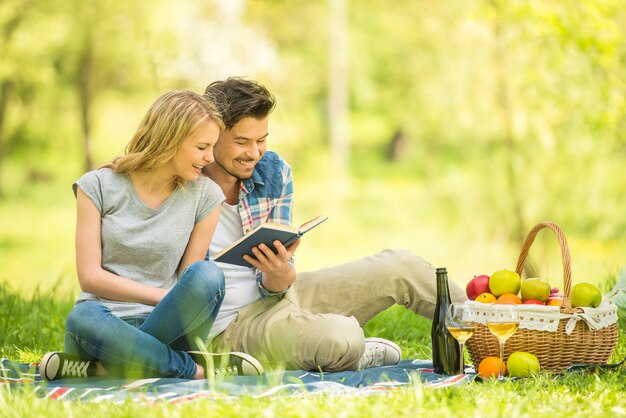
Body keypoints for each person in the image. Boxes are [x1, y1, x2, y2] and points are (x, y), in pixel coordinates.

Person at [201, 77, 467, 372]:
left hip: (281, 296)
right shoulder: (185, 184)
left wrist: (279, 273)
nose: (254, 153)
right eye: (241, 142)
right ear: (212, 134)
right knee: (342, 338)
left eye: (261, 140)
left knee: (401, 266)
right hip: (232, 329)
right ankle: (349, 353)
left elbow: (278, 285)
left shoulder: (273, 172)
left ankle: (499, 332)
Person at [39, 90, 263, 381]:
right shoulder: (97, 186)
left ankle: (104, 368)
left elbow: (190, 279)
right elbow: (90, 278)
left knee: (208, 274)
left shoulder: (205, 195)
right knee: (83, 317)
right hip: (104, 326)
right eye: (202, 148)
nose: (209, 159)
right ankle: (193, 369)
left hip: (167, 324)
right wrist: (163, 296)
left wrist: (170, 301)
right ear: (170, 141)